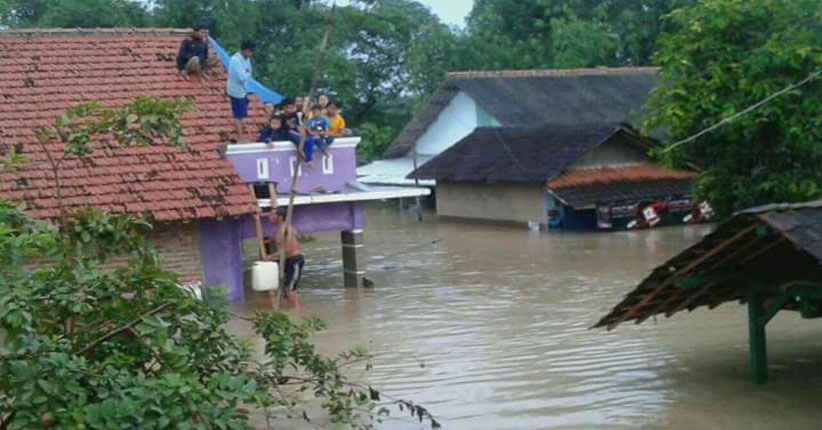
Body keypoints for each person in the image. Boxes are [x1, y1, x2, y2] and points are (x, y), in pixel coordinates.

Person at [266, 208, 304, 307]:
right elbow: (298, 236)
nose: (269, 217)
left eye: (272, 215)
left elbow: (289, 248)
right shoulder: (283, 228)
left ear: (280, 217)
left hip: (295, 260)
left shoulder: (285, 229)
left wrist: (271, 256)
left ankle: (294, 312)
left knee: (289, 290)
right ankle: (294, 309)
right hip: (287, 260)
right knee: (287, 289)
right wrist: (274, 240)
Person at [226, 41, 255, 141]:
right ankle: (240, 136)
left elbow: (250, 72)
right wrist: (247, 73)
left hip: (243, 89)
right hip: (235, 90)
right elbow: (241, 77)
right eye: (250, 52)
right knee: (237, 114)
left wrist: (247, 73)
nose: (251, 54)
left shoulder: (247, 59)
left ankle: (239, 131)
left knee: (242, 112)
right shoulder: (236, 60)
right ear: (245, 50)